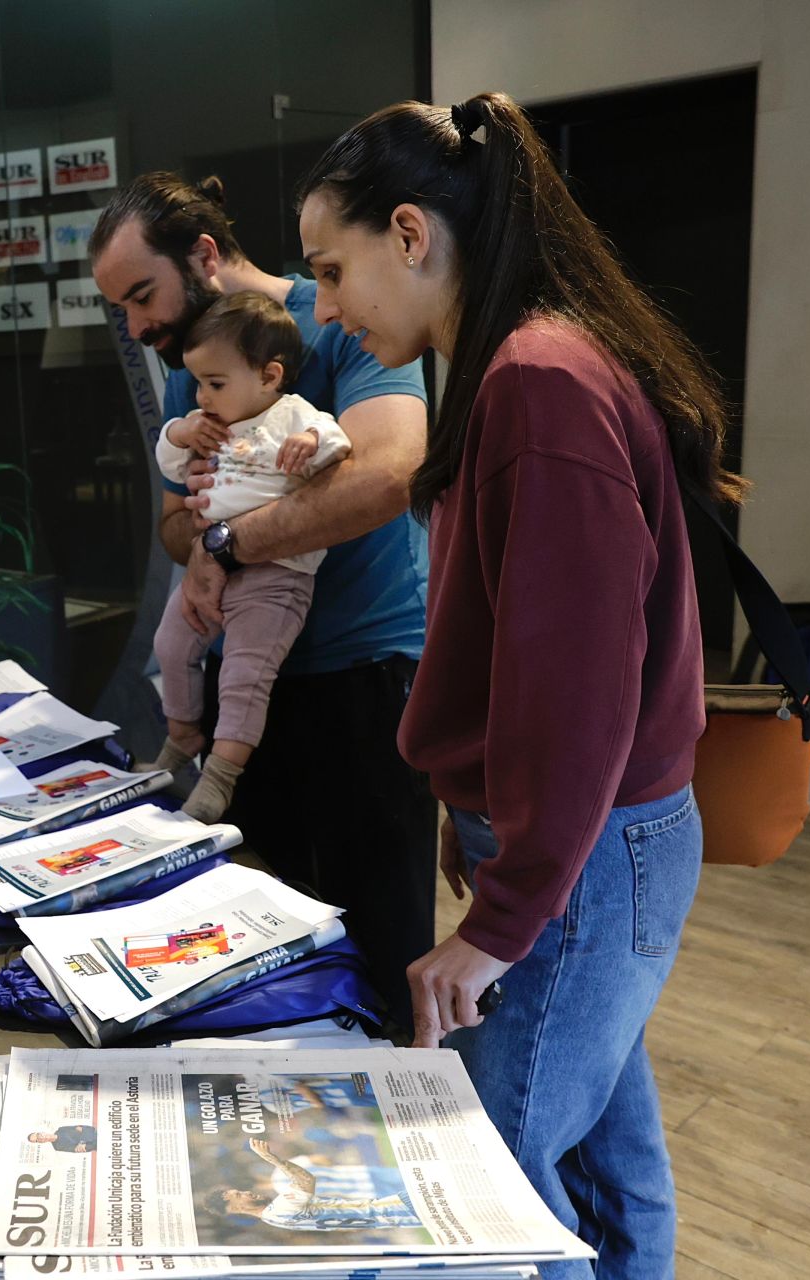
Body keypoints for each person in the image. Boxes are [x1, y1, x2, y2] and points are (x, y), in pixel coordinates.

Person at [295, 92, 738, 1277]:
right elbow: (519, 651)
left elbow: (582, 687)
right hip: (576, 846)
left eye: (332, 271)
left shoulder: (537, 379)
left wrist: (500, 918)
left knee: (481, 1179)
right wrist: (481, 814)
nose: (324, 308)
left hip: (590, 853)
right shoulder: (515, 362)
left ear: (409, 232)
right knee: (600, 1158)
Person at [91, 172, 434, 1032]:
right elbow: (176, 525)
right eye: (122, 310)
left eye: (142, 296)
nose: (136, 327)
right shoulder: (192, 371)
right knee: (254, 945)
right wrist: (200, 543)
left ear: (204, 256)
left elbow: (388, 476)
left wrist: (228, 543)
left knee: (381, 949)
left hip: (363, 675)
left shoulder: (350, 323)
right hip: (244, 687)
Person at [148, 292, 352, 821]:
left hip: (276, 576)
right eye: (199, 383)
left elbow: (337, 441)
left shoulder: (291, 414)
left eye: (216, 383)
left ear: (269, 375)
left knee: (244, 677)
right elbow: (166, 454)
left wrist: (311, 440)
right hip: (210, 570)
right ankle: (182, 737)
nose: (203, 395)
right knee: (170, 643)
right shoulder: (205, 422)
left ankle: (219, 779)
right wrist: (182, 430)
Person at [211, 1140, 422, 1233]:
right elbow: (307, 1180)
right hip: (394, 1206)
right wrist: (272, 1158)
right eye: (239, 1194)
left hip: (389, 1214)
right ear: (235, 1208)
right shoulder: (279, 1209)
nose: (247, 1192)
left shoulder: (274, 1219)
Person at [27, 1125, 99, 1154]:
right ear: (40, 1143)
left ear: (41, 1132)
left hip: (97, 1135)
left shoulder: (61, 1129)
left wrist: (81, 1142)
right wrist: (83, 1143)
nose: (39, 1138)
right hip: (95, 1145)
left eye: (37, 1135)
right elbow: (78, 1149)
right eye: (36, 1140)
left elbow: (84, 1129)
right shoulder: (57, 1147)